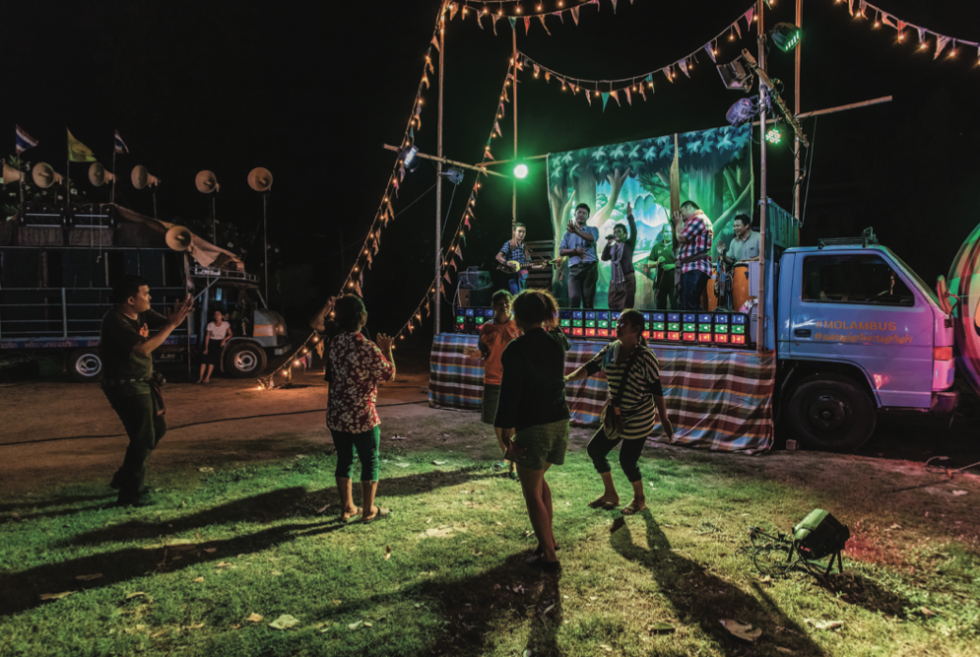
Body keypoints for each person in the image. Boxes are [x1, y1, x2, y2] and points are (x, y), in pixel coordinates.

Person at [564, 309, 673, 515]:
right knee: (595, 450)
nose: (617, 325)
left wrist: (664, 419)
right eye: (618, 322)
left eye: (623, 323)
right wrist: (567, 379)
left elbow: (656, 391)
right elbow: (591, 367)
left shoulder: (646, 357)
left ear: (637, 329)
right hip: (616, 416)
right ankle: (610, 494)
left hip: (639, 417)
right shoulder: (610, 350)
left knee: (627, 460)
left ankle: (639, 499)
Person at [494, 289, 570, 572]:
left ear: (517, 317)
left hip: (534, 425)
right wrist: (552, 319)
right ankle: (549, 541)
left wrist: (503, 433)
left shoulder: (516, 348)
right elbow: (559, 332)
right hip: (560, 422)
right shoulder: (556, 342)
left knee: (531, 493)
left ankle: (549, 556)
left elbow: (509, 393)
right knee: (539, 482)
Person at [100, 275, 192, 507]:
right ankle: (130, 496)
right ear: (131, 299)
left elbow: (165, 323)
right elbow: (142, 349)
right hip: (126, 386)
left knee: (157, 429)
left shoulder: (140, 314)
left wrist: (176, 317)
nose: (150, 297)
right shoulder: (115, 320)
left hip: (142, 382)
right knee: (142, 438)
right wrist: (172, 325)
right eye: (146, 293)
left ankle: (125, 477)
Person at [314, 295, 396, 523]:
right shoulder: (366, 347)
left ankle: (347, 508)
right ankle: (369, 510)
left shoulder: (336, 342)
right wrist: (386, 350)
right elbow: (388, 374)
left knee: (344, 459)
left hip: (337, 414)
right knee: (370, 460)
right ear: (361, 317)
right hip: (362, 416)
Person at [464, 290, 521, 479]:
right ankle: (507, 454)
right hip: (492, 380)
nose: (504, 305)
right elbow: (483, 352)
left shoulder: (518, 325)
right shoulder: (487, 328)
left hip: (513, 381)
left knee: (511, 422)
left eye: (506, 302)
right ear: (493, 306)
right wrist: (475, 354)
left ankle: (514, 464)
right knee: (496, 420)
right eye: (500, 303)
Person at [672, 200, 714, 311]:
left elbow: (682, 237)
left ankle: (696, 327)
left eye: (682, 212)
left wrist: (677, 224)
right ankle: (693, 327)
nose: (682, 216)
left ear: (689, 206)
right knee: (688, 304)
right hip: (692, 267)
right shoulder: (697, 220)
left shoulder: (699, 219)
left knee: (690, 305)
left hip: (695, 267)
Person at [558, 203, 600, 309]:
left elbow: (591, 239)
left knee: (588, 301)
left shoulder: (593, 229)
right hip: (574, 270)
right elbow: (561, 251)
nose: (581, 215)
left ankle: (588, 325)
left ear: (587, 216)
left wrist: (576, 232)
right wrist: (574, 251)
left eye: (584, 213)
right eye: (579, 212)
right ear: (575, 214)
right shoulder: (567, 234)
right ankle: (573, 325)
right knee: (573, 299)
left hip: (589, 269)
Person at [602, 203, 638, 311]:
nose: (616, 233)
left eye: (619, 231)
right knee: (613, 305)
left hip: (627, 280)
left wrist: (630, 216)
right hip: (615, 282)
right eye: (614, 232)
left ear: (625, 235)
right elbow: (604, 257)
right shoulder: (612, 248)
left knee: (626, 306)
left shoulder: (628, 244)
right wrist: (608, 244)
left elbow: (634, 231)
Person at [642, 225, 677, 310]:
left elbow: (684, 264)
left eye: (670, 232)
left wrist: (672, 266)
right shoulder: (656, 247)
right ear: (663, 233)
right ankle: (661, 324)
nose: (668, 234)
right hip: (659, 284)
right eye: (666, 232)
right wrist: (657, 262)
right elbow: (649, 264)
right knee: (660, 310)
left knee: (676, 309)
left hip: (675, 284)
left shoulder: (677, 247)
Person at [196, 309, 232, 384]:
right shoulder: (210, 325)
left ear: (222, 316)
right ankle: (200, 378)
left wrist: (224, 340)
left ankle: (207, 378)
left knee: (211, 361)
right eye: (215, 314)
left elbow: (230, 334)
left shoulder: (225, 324)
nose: (216, 316)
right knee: (204, 361)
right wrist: (206, 348)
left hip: (219, 343)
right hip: (210, 342)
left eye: (218, 314)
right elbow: (207, 336)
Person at [496, 223, 533, 295]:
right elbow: (498, 257)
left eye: (523, 232)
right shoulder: (509, 243)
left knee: (523, 297)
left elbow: (529, 264)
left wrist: (539, 265)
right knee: (515, 297)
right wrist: (508, 263)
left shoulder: (525, 247)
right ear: (514, 232)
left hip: (523, 276)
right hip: (513, 275)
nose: (521, 234)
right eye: (519, 231)